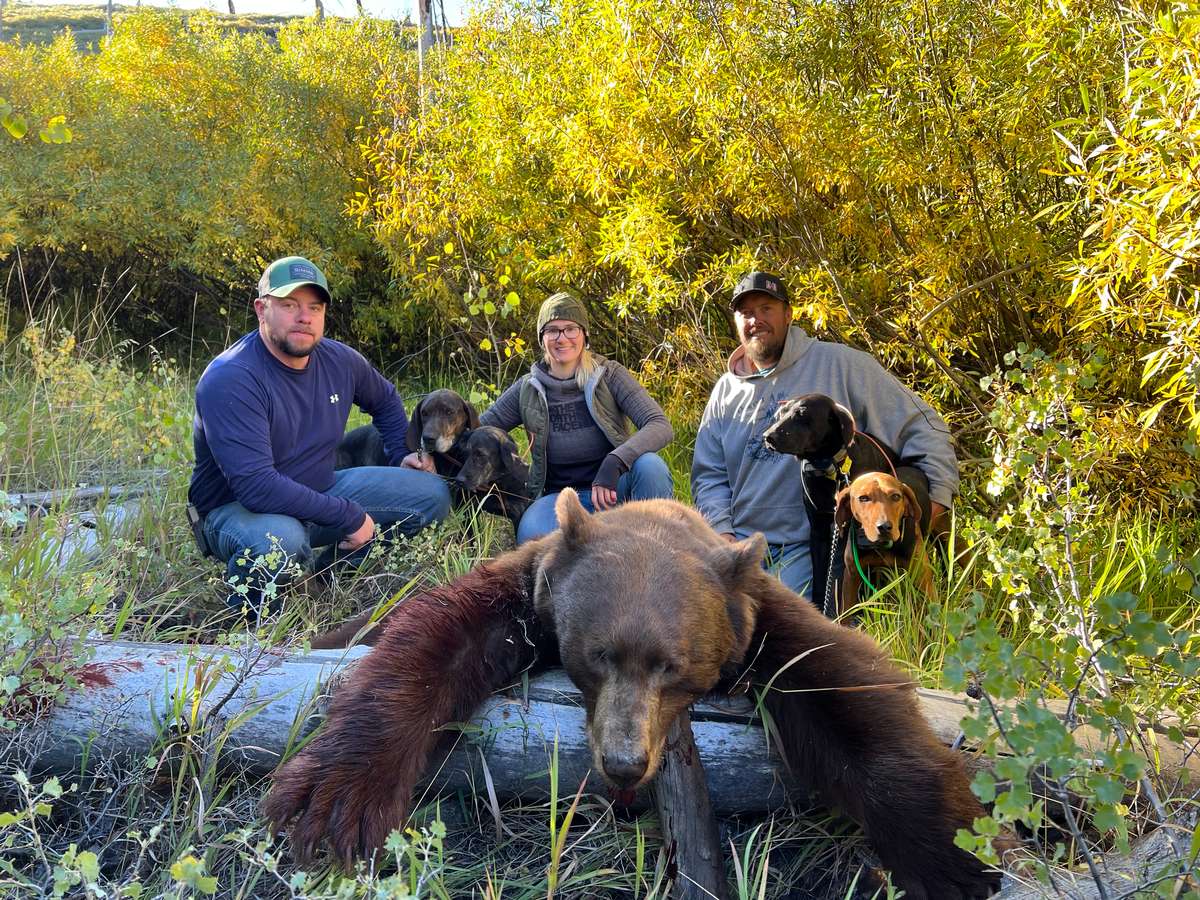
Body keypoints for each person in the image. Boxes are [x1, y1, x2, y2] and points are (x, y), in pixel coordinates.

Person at [188, 256, 450, 614]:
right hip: (237, 509)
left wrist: (398, 453)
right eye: (289, 305)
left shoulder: (339, 361)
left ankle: (324, 580)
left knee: (431, 493)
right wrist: (348, 517)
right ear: (261, 309)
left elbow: (386, 399)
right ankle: (251, 630)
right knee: (280, 541)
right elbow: (256, 487)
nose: (304, 317)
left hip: (318, 489)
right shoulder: (231, 378)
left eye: (315, 306)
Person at [691, 271, 958, 600]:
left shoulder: (841, 365)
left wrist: (935, 502)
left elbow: (923, 425)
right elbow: (709, 476)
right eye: (746, 313)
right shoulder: (724, 392)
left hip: (809, 548)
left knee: (775, 635)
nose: (755, 320)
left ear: (789, 314)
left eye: (766, 309)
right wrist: (723, 535)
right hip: (741, 548)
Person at [480, 291, 675, 543]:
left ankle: (657, 548)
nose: (562, 338)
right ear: (542, 338)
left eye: (570, 328)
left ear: (584, 335)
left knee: (650, 466)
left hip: (615, 489)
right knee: (532, 537)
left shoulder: (609, 375)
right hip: (558, 499)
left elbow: (659, 425)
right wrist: (427, 453)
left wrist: (616, 461)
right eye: (552, 330)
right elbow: (480, 429)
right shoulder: (528, 388)